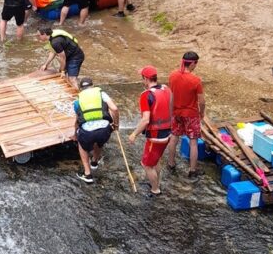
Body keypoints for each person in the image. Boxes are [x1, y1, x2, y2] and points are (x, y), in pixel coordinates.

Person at [128, 65, 172, 197]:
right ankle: (156, 182)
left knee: (146, 164)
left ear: (146, 79)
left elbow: (146, 120)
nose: (142, 82)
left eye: (143, 79)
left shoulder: (146, 95)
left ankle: (155, 190)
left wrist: (134, 134)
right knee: (156, 159)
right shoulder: (166, 89)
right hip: (168, 132)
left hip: (155, 136)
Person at [73, 78, 120, 184]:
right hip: (104, 130)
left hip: (87, 132)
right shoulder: (102, 94)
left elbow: (77, 120)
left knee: (81, 145)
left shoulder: (77, 101)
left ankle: (87, 173)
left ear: (81, 89)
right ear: (93, 86)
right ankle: (94, 162)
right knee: (99, 141)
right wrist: (116, 125)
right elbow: (115, 109)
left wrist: (75, 134)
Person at [166, 51, 205, 178]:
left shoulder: (172, 75)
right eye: (196, 63)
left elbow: (171, 95)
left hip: (176, 112)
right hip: (191, 114)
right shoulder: (196, 80)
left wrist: (170, 111)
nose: (196, 65)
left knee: (174, 137)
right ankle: (192, 170)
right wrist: (202, 113)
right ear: (192, 63)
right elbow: (202, 101)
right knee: (193, 142)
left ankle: (171, 163)